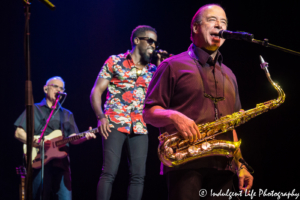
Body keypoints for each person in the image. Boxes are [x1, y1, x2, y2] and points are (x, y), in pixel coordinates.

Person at [143, 4, 254, 200]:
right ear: (195, 27)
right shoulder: (172, 65)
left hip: (223, 167)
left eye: (224, 22)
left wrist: (241, 164)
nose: (220, 26)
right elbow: (149, 112)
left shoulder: (230, 74)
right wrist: (173, 116)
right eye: (213, 20)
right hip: (185, 163)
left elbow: (231, 126)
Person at [90, 25, 166, 200]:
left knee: (139, 176)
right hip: (114, 122)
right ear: (137, 40)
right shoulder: (114, 61)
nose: (153, 46)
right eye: (150, 41)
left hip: (140, 125)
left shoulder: (154, 70)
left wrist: (162, 65)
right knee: (109, 171)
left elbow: (162, 96)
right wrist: (101, 117)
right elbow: (96, 91)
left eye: (156, 43)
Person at [14, 76, 96, 200]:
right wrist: (35, 142)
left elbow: (73, 137)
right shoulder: (34, 109)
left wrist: (85, 137)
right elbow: (18, 132)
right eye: (55, 86)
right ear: (45, 89)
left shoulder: (67, 114)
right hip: (39, 161)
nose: (59, 90)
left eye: (61, 88)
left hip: (61, 164)